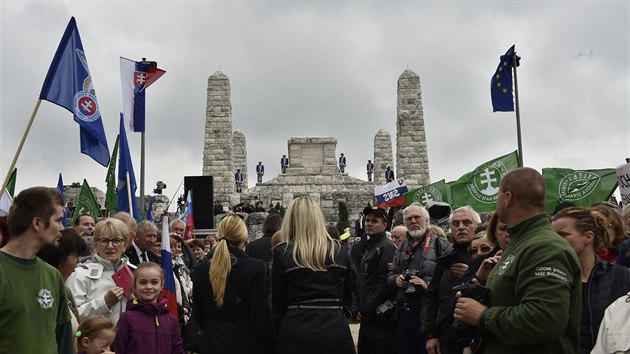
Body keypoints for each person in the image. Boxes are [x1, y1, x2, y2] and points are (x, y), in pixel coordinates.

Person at [454, 167, 582, 354]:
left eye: (498, 195)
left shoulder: (544, 247)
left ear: (508, 198)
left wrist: (483, 315)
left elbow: (546, 319)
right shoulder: (520, 243)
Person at [272, 196, 355, 354]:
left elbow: (277, 302)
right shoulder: (340, 250)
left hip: (297, 326)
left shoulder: (282, 252)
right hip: (334, 326)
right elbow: (347, 298)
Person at [0, 187, 73, 354]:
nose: (62, 228)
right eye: (58, 220)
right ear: (37, 223)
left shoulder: (53, 275)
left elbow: (64, 338)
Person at [551, 207, 630, 354]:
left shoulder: (623, 277)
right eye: (552, 235)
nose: (555, 241)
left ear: (588, 237)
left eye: (563, 234)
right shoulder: (551, 280)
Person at [192, 215, 275, 354]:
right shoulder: (255, 267)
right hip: (245, 340)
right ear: (243, 237)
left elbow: (198, 314)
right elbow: (261, 314)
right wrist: (271, 345)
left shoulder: (201, 270)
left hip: (213, 341)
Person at [388, 203, 452, 354]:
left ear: (427, 220)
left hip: (427, 316)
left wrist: (426, 285)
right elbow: (390, 275)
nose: (413, 221)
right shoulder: (402, 246)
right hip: (404, 316)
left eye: (417, 217)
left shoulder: (440, 244)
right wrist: (396, 279)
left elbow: (450, 282)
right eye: (409, 219)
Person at [425, 205, 477, 354]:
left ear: (476, 226)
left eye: (466, 223)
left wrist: (473, 276)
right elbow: (432, 296)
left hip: (477, 339)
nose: (461, 227)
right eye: (456, 224)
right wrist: (431, 334)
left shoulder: (486, 253)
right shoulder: (446, 257)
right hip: (447, 337)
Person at [67, 218, 132, 324]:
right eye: (104, 241)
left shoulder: (135, 273)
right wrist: (104, 303)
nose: (110, 246)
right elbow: (71, 317)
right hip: (94, 339)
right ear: (96, 244)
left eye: (116, 241)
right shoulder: (80, 274)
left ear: (125, 245)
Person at [111, 262, 185, 354]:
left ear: (161, 285)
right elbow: (118, 349)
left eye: (154, 282)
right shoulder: (126, 318)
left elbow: (177, 351)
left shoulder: (171, 320)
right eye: (143, 282)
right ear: (134, 285)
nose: (149, 287)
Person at [357, 206, 397, 354]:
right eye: (367, 220)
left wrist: (367, 309)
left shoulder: (386, 247)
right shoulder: (371, 245)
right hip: (368, 315)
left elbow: (384, 283)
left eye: (374, 221)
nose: (369, 224)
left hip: (380, 318)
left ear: (384, 225)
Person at [38, 229, 89, 333]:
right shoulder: (42, 292)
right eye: (75, 255)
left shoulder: (66, 292)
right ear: (60, 258)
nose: (79, 261)